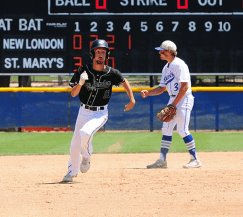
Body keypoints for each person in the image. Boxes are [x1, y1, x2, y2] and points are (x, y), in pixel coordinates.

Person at [63, 39, 135, 182]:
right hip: (84, 111)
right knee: (74, 145)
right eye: (98, 52)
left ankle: (87, 157)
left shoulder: (111, 72)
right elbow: (73, 94)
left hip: (100, 113)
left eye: (103, 52)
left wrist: (132, 99)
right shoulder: (83, 70)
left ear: (107, 55)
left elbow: (123, 81)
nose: (100, 54)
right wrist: (80, 83)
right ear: (93, 54)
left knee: (85, 133)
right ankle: (71, 173)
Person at [141, 40, 201, 169]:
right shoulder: (166, 67)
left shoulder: (180, 65)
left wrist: (173, 104)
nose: (159, 53)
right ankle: (162, 160)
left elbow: (184, 87)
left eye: (161, 51)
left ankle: (195, 159)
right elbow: (161, 88)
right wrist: (149, 93)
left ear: (169, 51)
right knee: (166, 129)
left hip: (184, 99)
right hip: (173, 99)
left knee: (182, 130)